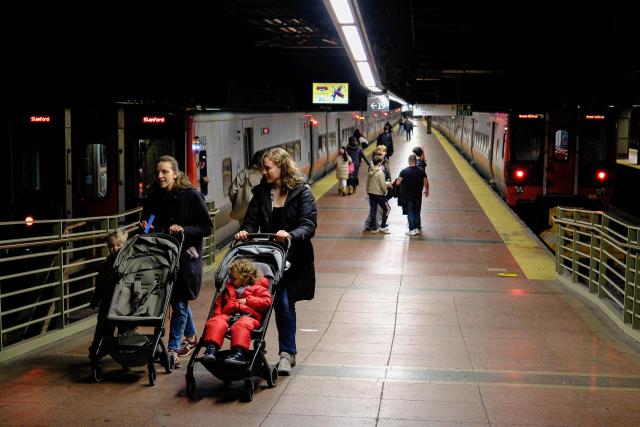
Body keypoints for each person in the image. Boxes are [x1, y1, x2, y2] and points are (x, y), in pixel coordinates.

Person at [235, 147, 317, 375]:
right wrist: (245, 232)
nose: (264, 171)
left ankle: (286, 354)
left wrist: (291, 235)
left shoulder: (302, 192)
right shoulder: (262, 192)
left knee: (283, 304)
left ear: (281, 167)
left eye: (268, 167)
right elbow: (251, 221)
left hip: (293, 259)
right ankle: (248, 349)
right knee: (254, 302)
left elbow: (308, 225)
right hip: (268, 259)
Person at [140, 155, 213, 367]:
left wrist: (185, 230)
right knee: (175, 301)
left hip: (185, 258)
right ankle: (191, 338)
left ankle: (172, 348)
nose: (160, 176)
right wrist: (146, 226)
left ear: (176, 173)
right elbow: (149, 223)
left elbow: (206, 226)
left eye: (165, 172)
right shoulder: (154, 197)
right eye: (158, 173)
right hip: (162, 258)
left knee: (179, 301)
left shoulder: (191, 196)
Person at [201, 259, 272, 364]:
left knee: (241, 326)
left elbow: (266, 302)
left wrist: (248, 300)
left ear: (245, 278)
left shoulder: (258, 288)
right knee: (216, 322)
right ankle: (212, 348)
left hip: (249, 317)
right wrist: (216, 315)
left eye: (233, 278)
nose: (230, 280)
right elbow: (219, 303)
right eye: (229, 277)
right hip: (228, 314)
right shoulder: (229, 288)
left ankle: (239, 352)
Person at [88, 230, 128, 360]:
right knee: (102, 330)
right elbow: (100, 285)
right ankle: (96, 352)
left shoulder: (129, 262)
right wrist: (95, 299)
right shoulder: (106, 265)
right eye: (111, 246)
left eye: (118, 245)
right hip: (107, 304)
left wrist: (148, 224)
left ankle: (127, 352)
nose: (115, 248)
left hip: (124, 305)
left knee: (126, 332)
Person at [395, 154, 429, 236]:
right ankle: (417, 228)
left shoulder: (404, 171)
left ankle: (412, 229)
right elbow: (426, 182)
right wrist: (427, 190)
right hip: (418, 196)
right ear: (416, 161)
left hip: (408, 196)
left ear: (409, 161)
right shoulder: (421, 171)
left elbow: (398, 183)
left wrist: (398, 181)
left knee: (410, 212)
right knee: (417, 212)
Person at [229, 150, 264, 221]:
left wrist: (238, 201)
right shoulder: (266, 175)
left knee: (245, 230)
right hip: (262, 213)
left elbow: (232, 191)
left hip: (245, 213)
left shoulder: (244, 173)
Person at [366, 155, 391, 234]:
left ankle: (373, 228)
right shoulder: (380, 173)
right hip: (379, 195)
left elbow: (367, 183)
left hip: (371, 193)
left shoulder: (370, 171)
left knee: (373, 209)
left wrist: (368, 191)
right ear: (379, 163)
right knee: (387, 209)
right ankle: (383, 227)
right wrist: (384, 192)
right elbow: (383, 185)